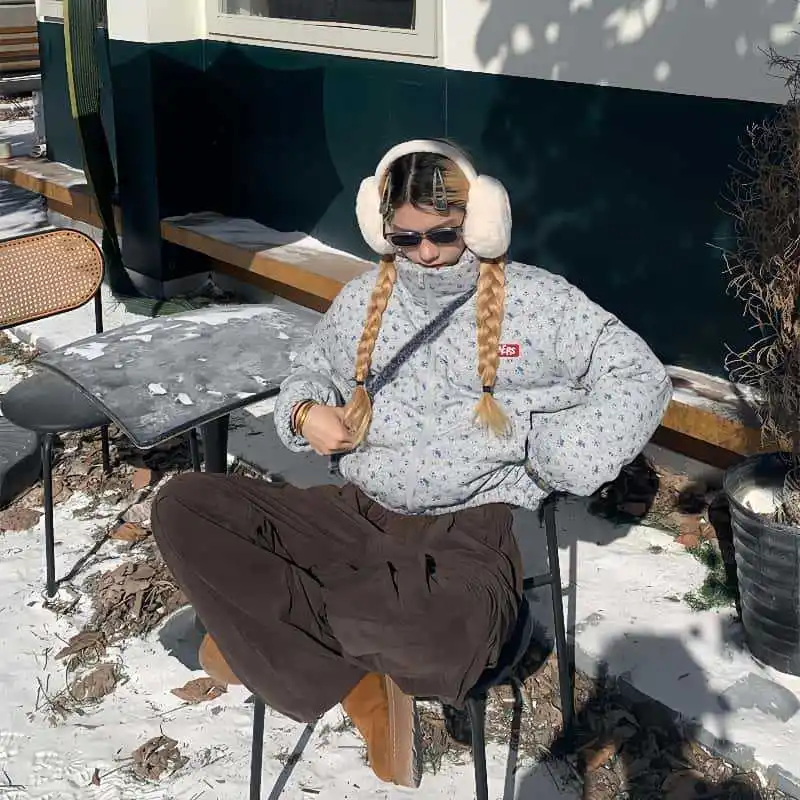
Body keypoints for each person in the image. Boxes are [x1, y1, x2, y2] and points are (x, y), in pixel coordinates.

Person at [151, 139, 671, 789]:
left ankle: (285, 646)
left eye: (444, 234)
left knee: (431, 639)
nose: (425, 252)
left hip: (467, 530)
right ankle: (350, 661)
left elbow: (639, 379)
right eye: (405, 237)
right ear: (381, 227)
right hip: (353, 515)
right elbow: (309, 372)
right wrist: (306, 412)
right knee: (184, 506)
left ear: (479, 222)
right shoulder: (364, 298)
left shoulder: (538, 302)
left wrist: (553, 454)